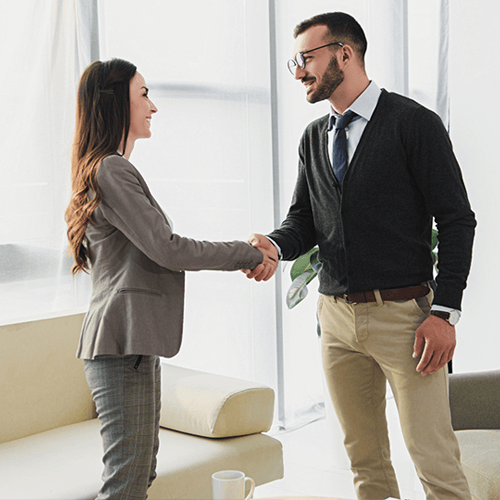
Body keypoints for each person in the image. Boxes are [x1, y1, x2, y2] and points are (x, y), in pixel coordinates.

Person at [246, 12, 476, 500]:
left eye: (307, 59)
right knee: (365, 462)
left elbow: (456, 220)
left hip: (406, 322)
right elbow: (304, 220)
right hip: (336, 321)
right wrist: (273, 244)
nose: (298, 72)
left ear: (344, 54)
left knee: (434, 460)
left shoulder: (414, 125)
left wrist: (444, 313)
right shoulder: (314, 137)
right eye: (295, 61)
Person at [65, 58, 276, 500]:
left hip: (129, 344)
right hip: (122, 346)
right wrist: (247, 252)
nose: (153, 106)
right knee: (127, 480)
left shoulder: (106, 168)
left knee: (139, 473)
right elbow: (168, 248)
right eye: (143, 94)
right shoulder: (111, 169)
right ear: (116, 103)